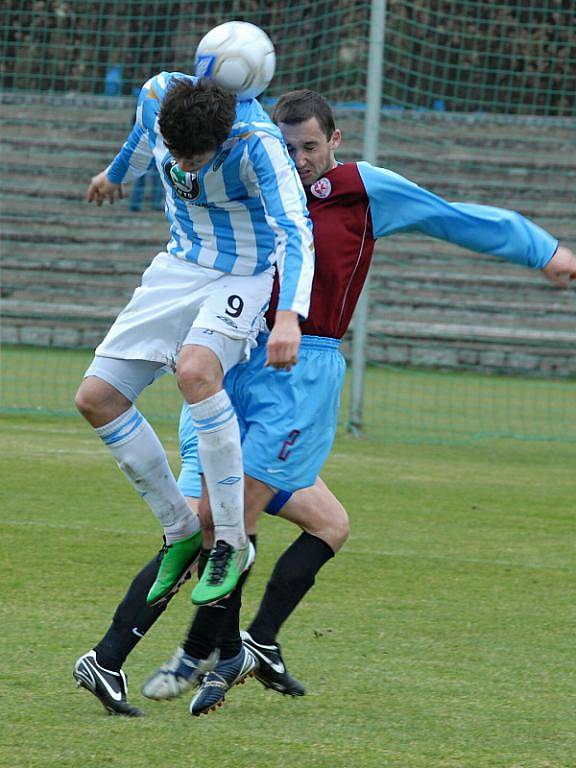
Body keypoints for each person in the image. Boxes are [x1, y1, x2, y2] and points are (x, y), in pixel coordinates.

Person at [74, 89, 576, 718]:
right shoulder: (255, 177)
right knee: (232, 522)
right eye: (289, 148)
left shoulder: (363, 188)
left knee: (258, 523)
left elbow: (454, 216)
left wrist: (542, 250)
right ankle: (216, 650)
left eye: (311, 147)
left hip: (297, 372)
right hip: (228, 365)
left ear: (335, 141)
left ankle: (198, 650)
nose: (300, 159)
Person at [74, 74, 315, 613]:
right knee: (96, 398)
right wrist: (114, 177)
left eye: (194, 157)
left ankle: (231, 541)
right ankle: (180, 530)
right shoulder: (159, 95)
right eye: (176, 154)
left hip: (244, 275)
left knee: (195, 371)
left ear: (223, 139)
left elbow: (295, 231)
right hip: (179, 266)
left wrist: (288, 317)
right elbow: (140, 139)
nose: (181, 166)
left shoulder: (259, 147)